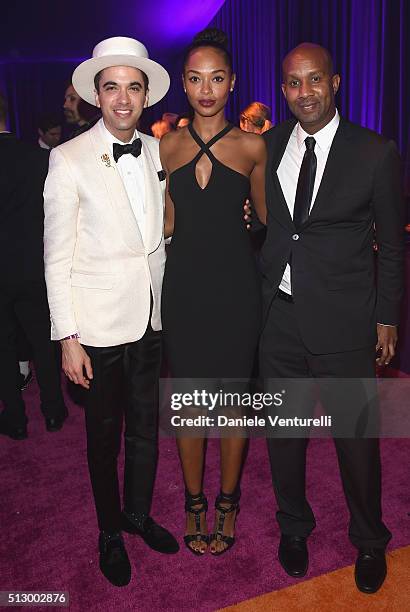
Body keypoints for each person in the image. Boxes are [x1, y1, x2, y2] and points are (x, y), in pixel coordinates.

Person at [259, 43, 404, 594]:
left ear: (336, 82)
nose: (305, 93)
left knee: (356, 438)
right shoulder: (268, 147)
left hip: (346, 321)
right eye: (293, 83)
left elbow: (391, 246)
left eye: (314, 80)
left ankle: (369, 539)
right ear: (283, 90)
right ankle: (293, 526)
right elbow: (272, 225)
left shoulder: (374, 152)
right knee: (285, 436)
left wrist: (387, 318)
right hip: (280, 319)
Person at [43, 36, 178, 588]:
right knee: (104, 435)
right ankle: (109, 532)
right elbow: (56, 254)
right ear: (96, 94)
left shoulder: (154, 149)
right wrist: (66, 335)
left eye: (133, 86)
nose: (123, 99)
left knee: (145, 425)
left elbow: (161, 227)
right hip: (96, 325)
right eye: (111, 87)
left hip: (150, 316)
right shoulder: (68, 158)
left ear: (145, 94)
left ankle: (139, 513)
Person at [160, 28, 267, 556]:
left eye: (217, 78)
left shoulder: (253, 145)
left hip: (235, 291)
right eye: (197, 78)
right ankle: (193, 501)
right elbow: (167, 223)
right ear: (184, 83)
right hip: (183, 291)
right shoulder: (167, 145)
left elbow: (268, 220)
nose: (207, 88)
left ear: (232, 84)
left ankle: (228, 499)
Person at [0, 91, 67, 440]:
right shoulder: (35, 158)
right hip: (31, 264)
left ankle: (14, 417)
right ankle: (54, 410)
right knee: (43, 340)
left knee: (4, 345)